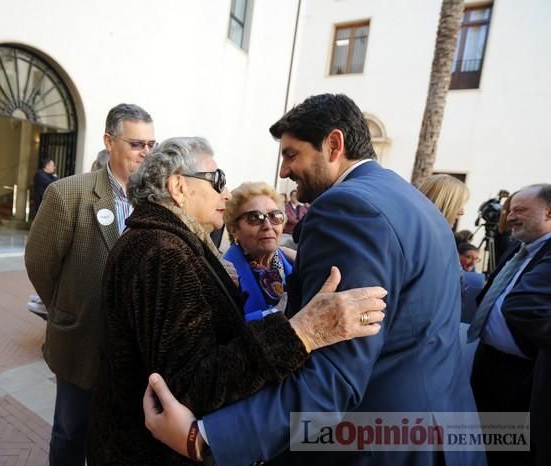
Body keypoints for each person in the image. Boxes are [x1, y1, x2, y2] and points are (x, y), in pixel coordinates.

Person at [143, 94, 482, 466]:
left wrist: (206, 439)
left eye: (291, 155)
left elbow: (335, 372)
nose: (284, 172)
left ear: (334, 145)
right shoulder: (412, 200)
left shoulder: (346, 209)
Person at [87, 138, 386, 465]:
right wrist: (300, 332)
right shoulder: (163, 251)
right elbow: (190, 385)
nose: (225, 194)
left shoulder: (165, 242)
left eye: (275, 215)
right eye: (217, 181)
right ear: (178, 187)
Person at [25, 103, 154, 465]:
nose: (146, 153)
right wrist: (66, 306)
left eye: (151, 145)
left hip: (134, 350)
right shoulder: (67, 194)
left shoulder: (158, 199)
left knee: (116, 435)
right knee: (70, 430)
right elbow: (40, 263)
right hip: (82, 340)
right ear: (109, 142)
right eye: (136, 144)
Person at [468, 184, 551, 466]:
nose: (511, 217)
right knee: (482, 439)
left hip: (523, 373)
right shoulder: (519, 246)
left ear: (549, 213)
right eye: (510, 209)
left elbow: (527, 308)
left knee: (511, 451)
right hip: (489, 361)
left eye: (521, 210)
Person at [223, 182, 292, 321]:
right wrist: (273, 314)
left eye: (275, 216)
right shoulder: (225, 273)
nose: (268, 226)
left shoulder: (294, 262)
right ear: (234, 229)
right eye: (254, 217)